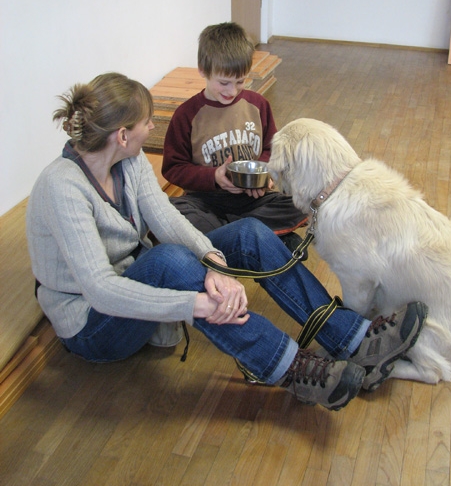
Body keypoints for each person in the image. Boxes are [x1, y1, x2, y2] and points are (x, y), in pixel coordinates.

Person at [26, 72, 428, 412]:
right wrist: (197, 303)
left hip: (136, 283)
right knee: (168, 260)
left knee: (249, 233)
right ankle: (293, 369)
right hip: (93, 324)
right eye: (147, 122)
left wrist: (212, 260)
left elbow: (165, 217)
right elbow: (101, 290)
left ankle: (353, 338)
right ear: (122, 134)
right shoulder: (61, 188)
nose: (152, 128)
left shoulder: (129, 160)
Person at [161, 22, 308, 253]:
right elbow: (173, 168)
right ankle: (265, 236)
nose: (232, 91)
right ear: (203, 70)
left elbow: (272, 149)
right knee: (171, 210)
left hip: (254, 199)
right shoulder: (186, 114)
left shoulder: (258, 105)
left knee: (303, 201)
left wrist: (264, 175)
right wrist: (213, 177)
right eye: (224, 83)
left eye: (240, 81)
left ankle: (233, 235)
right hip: (207, 202)